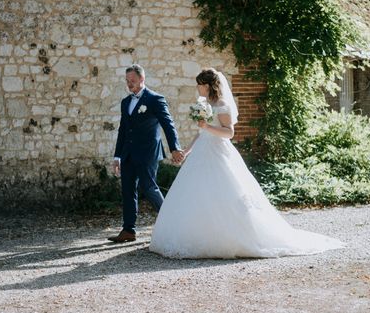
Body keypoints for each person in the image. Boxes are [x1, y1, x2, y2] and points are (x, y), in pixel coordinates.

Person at [149, 68, 344, 258]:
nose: (198, 88)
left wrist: (207, 125)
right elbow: (201, 133)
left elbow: (229, 133)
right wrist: (187, 150)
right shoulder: (204, 103)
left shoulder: (222, 104)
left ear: (208, 85)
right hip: (201, 152)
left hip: (218, 152)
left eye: (200, 85)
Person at [108, 64, 184, 243]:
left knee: (149, 187)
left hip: (148, 153)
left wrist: (174, 148)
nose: (129, 84)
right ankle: (128, 231)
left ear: (142, 79)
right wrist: (117, 156)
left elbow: (168, 124)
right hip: (127, 154)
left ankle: (171, 223)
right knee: (127, 191)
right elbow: (123, 130)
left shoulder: (155, 99)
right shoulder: (126, 102)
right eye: (127, 81)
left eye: (132, 81)